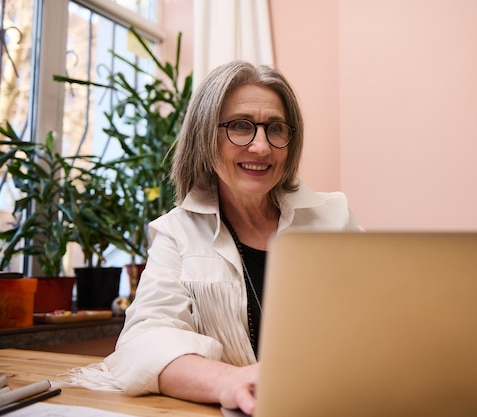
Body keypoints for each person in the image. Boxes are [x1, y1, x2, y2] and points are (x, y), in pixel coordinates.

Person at [69, 61, 361, 415]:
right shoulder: (177, 233)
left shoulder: (334, 216)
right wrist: (228, 382)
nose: (261, 147)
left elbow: (383, 320)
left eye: (276, 128)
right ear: (205, 136)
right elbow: (143, 341)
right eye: (240, 126)